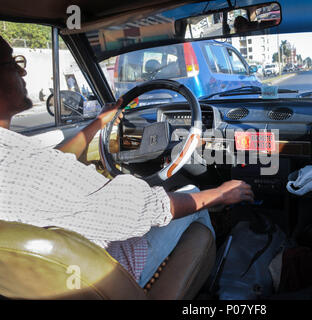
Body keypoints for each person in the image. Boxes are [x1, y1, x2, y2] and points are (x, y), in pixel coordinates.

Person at [0, 35, 254, 287]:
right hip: (103, 273)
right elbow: (143, 209)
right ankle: (214, 276)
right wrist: (219, 194)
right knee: (195, 196)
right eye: (13, 63)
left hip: (39, 281)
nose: (22, 71)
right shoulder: (21, 160)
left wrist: (99, 122)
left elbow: (53, 159)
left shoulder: (18, 155)